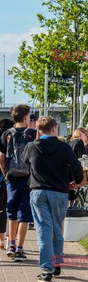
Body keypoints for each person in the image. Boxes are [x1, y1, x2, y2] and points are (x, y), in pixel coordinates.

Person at [23, 116, 83, 282]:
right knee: (57, 228)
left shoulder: (31, 147)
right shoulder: (64, 147)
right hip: (59, 192)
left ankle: (46, 270)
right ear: (55, 129)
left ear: (38, 131)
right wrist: (76, 182)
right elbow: (77, 167)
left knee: (43, 230)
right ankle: (56, 265)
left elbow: (24, 160)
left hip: (38, 192)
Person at [0, 105, 37, 261]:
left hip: (11, 179)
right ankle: (20, 249)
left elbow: (1, 159)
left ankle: (11, 244)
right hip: (28, 179)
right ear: (26, 117)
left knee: (11, 212)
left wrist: (6, 175)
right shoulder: (34, 134)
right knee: (24, 214)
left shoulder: (6, 134)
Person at [0, 119, 14, 250]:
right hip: (5, 178)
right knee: (5, 209)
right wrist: (5, 174)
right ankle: (5, 240)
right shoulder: (7, 139)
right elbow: (2, 159)